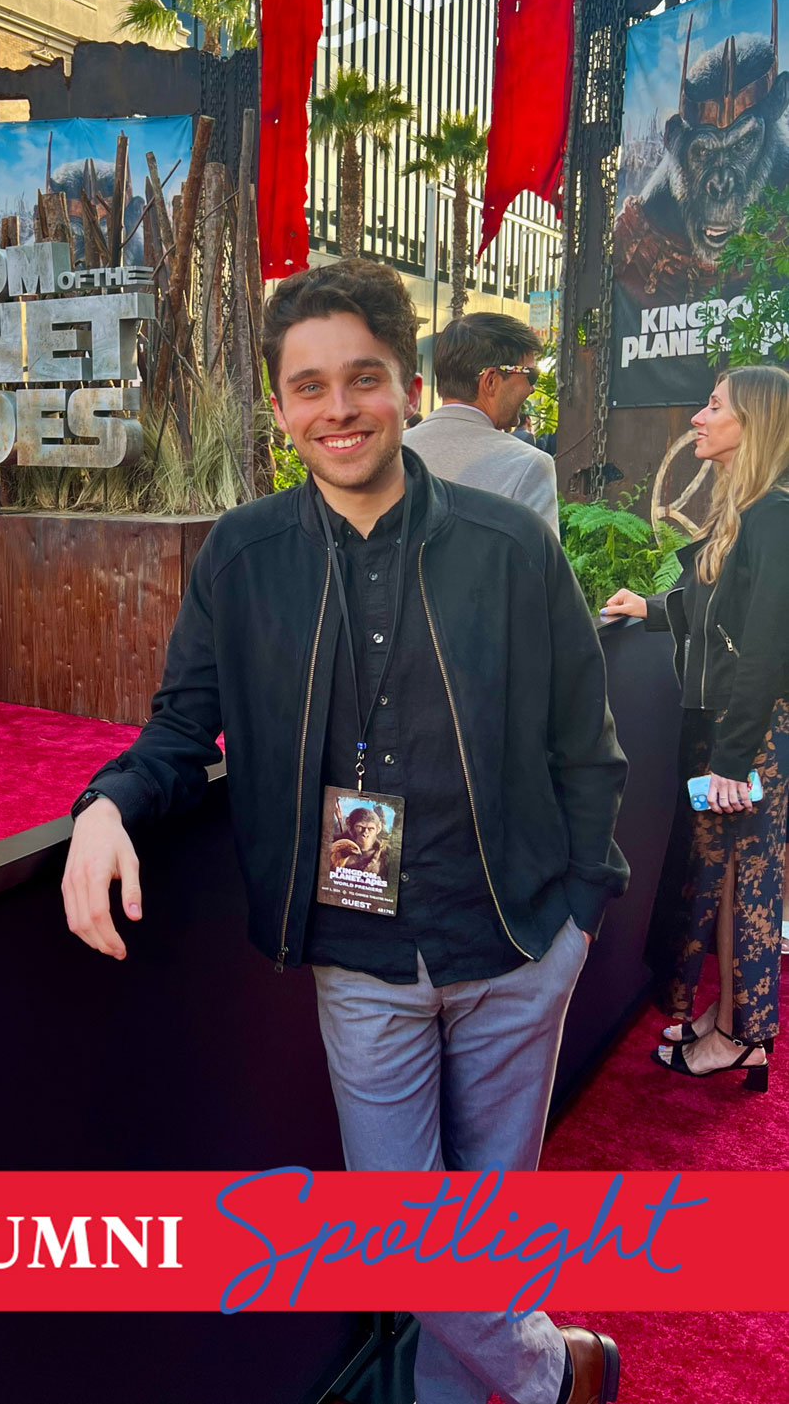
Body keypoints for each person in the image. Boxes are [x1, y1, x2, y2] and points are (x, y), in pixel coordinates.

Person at [63, 259, 628, 1404]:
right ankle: (551, 1370)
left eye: (362, 379)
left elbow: (588, 742)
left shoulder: (509, 545)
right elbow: (184, 725)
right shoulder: (245, 555)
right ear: (279, 407)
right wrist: (107, 804)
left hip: (518, 942)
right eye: (309, 386)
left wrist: (578, 912)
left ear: (409, 387)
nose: (338, 409)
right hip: (361, 957)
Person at [603, 365, 789, 1089]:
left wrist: (734, 759)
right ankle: (731, 1020)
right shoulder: (749, 512)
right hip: (727, 732)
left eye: (714, 406)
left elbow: (768, 649)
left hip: (751, 736)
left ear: (754, 422)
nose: (696, 419)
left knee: (748, 879)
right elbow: (719, 617)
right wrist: (648, 608)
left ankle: (746, 1035)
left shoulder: (774, 516)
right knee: (723, 875)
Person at [404, 312, 559, 534]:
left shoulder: (394, 451)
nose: (531, 388)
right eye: (530, 376)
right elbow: (540, 566)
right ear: (491, 380)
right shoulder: (529, 466)